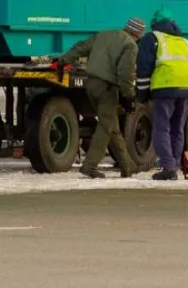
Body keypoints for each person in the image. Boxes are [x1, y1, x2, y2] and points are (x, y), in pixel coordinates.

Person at [59, 18, 146, 178]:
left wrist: (64, 60)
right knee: (105, 127)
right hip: (107, 87)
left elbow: (81, 47)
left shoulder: (104, 34)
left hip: (91, 83)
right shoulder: (130, 45)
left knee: (112, 127)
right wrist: (129, 96)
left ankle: (127, 166)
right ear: (138, 35)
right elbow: (126, 72)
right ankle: (89, 166)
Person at [136, 8, 188, 181]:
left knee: (162, 127)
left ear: (154, 24)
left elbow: (143, 67)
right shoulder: (185, 42)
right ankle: (174, 165)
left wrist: (142, 94)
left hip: (165, 88)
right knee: (178, 128)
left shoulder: (152, 38)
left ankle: (168, 166)